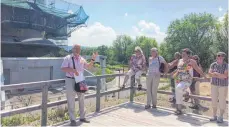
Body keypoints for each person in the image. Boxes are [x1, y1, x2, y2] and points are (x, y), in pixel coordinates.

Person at [61, 44, 98, 126]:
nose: (77, 50)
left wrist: (93, 59)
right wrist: (73, 70)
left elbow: (88, 66)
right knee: (71, 100)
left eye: (79, 48)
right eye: (76, 48)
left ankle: (82, 117)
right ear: (73, 49)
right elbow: (63, 68)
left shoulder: (82, 59)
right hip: (70, 80)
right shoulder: (68, 58)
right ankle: (73, 120)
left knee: (82, 98)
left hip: (80, 80)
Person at [172, 48, 205, 115]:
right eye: (182, 53)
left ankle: (186, 93)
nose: (182, 54)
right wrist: (173, 75)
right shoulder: (180, 60)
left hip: (187, 80)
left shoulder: (191, 61)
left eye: (184, 53)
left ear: (188, 55)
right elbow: (178, 70)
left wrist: (205, 76)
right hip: (178, 79)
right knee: (178, 94)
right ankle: (179, 109)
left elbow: (198, 69)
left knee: (179, 88)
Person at [208, 52, 228, 123]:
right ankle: (214, 116)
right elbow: (209, 74)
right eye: (218, 56)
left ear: (223, 58)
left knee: (222, 101)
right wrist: (219, 75)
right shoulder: (213, 65)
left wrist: (216, 74)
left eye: (221, 56)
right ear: (216, 57)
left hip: (223, 85)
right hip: (214, 85)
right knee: (214, 100)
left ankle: (221, 117)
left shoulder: (226, 65)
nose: (219, 57)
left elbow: (225, 76)